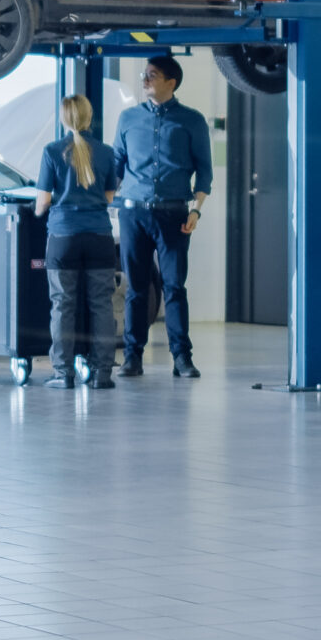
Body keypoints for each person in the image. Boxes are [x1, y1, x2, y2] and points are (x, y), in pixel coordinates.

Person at [110, 55, 212, 378]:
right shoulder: (127, 119)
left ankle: (182, 357)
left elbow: (205, 173)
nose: (145, 80)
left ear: (172, 82)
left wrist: (196, 210)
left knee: (174, 288)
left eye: (152, 75)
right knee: (137, 289)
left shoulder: (192, 121)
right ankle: (132, 357)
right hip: (133, 215)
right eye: (144, 75)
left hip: (174, 215)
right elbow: (115, 165)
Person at [34, 95, 122, 391]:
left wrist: (41, 209)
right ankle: (102, 374)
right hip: (99, 236)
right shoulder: (107, 152)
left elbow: (43, 201)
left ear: (63, 118)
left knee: (63, 305)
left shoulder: (52, 151)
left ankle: (63, 373)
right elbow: (109, 196)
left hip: (63, 238)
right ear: (89, 116)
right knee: (101, 305)